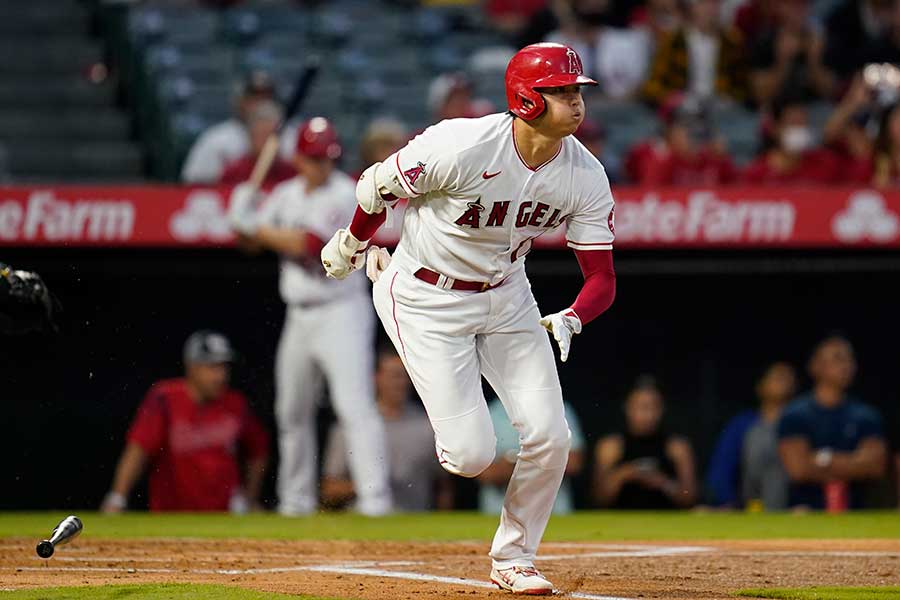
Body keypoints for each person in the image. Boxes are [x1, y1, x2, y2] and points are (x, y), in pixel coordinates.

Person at [320, 43, 617, 595]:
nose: (577, 103)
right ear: (527, 99)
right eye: (564, 92)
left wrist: (575, 316)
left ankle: (514, 556)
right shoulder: (461, 142)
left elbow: (602, 276)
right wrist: (353, 240)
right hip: (427, 298)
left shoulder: (585, 173)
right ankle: (382, 280)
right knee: (470, 456)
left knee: (553, 436)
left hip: (508, 296)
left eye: (578, 91)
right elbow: (377, 185)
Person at [228, 118, 393, 517]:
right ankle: (295, 501)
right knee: (291, 410)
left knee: (353, 406)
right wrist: (240, 216)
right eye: (315, 158)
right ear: (299, 159)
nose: (322, 165)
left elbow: (310, 245)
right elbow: (248, 244)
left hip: (342, 309)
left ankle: (375, 501)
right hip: (299, 314)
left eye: (328, 157)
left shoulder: (344, 193)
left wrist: (256, 226)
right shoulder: (285, 194)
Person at [100, 331, 269, 513]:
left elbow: (258, 451)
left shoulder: (235, 403)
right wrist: (117, 497)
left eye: (224, 367)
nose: (221, 376)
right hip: (172, 514)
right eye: (212, 367)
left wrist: (250, 498)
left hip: (224, 516)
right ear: (192, 367)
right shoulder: (165, 398)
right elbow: (138, 450)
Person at [321, 345, 453, 512]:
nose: (400, 383)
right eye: (394, 376)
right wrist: (370, 485)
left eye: (405, 376)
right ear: (376, 378)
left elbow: (443, 485)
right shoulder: (352, 426)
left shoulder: (427, 424)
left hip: (414, 522)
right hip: (363, 520)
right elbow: (329, 489)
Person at [778, 335, 887, 510]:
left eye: (850, 359)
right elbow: (798, 470)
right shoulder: (795, 414)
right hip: (804, 512)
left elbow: (875, 467)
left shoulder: (866, 416)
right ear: (816, 366)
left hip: (857, 512)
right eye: (837, 358)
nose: (846, 365)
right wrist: (855, 462)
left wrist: (822, 459)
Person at [593, 377, 697, 509]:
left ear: (662, 409)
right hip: (619, 523)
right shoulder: (610, 447)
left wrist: (663, 483)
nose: (647, 415)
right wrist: (626, 474)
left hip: (667, 523)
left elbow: (690, 499)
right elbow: (598, 498)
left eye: (653, 407)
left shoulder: (677, 447)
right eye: (641, 407)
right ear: (627, 407)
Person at [706, 361, 796, 509]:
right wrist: (727, 503)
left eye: (789, 378)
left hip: (795, 509)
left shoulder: (803, 424)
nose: (785, 382)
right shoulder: (743, 424)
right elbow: (722, 469)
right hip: (751, 507)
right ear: (761, 386)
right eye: (779, 377)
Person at [478, 398, 585, 515]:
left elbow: (574, 462)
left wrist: (516, 463)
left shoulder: (558, 408)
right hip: (498, 514)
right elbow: (483, 473)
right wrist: (538, 461)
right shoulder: (490, 412)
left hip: (553, 515)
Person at [641, 0, 749, 106]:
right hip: (683, 107)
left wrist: (730, 98)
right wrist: (669, 98)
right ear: (693, 8)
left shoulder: (732, 42)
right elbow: (654, 85)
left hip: (721, 109)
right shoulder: (674, 40)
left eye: (714, 4)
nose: (710, 9)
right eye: (704, 4)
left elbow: (742, 85)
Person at [181, 70, 279, 184]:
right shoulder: (217, 139)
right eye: (253, 98)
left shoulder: (289, 136)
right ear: (239, 100)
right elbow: (193, 184)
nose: (260, 104)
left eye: (266, 98)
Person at [624, 94, 737, 185]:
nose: (693, 130)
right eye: (685, 125)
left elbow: (738, 192)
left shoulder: (712, 157)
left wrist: (724, 159)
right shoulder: (648, 153)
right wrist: (667, 157)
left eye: (698, 123)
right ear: (668, 129)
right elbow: (648, 194)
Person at [748, 0, 834, 107]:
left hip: (811, 109)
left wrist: (814, 61)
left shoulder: (818, 39)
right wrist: (782, 62)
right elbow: (760, 95)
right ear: (780, 8)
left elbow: (829, 91)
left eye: (803, 6)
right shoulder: (765, 40)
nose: (799, 11)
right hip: (776, 111)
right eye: (793, 6)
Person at [741, 94, 839, 184]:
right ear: (775, 128)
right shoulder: (756, 173)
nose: (799, 129)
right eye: (793, 123)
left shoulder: (825, 163)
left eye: (802, 123)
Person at [218, 100, 295, 187]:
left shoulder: (290, 173)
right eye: (261, 135)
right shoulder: (234, 172)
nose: (267, 142)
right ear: (250, 136)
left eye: (271, 136)